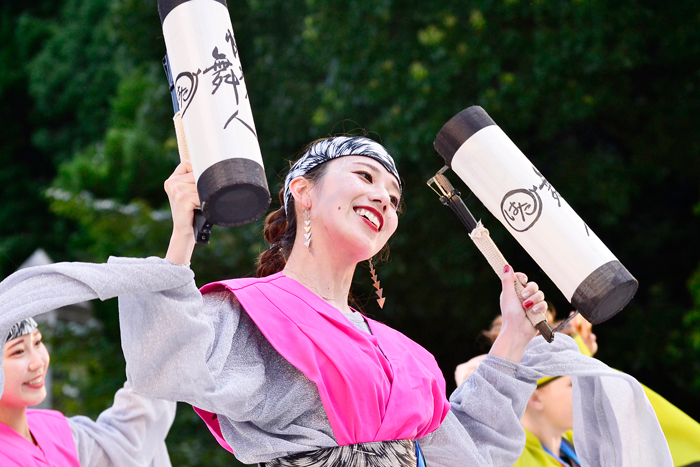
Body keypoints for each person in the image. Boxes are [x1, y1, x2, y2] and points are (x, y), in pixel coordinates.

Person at [0, 136, 672, 466]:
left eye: (395, 195)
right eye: (365, 176)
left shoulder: (406, 356)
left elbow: (467, 450)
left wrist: (515, 338)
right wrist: (184, 231)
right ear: (302, 191)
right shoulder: (254, 311)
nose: (384, 195)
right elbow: (163, 361)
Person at [0, 317, 176, 467]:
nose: (38, 362)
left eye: (37, 342)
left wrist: (164, 341)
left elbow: (124, 447)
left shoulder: (54, 428)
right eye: (18, 351)